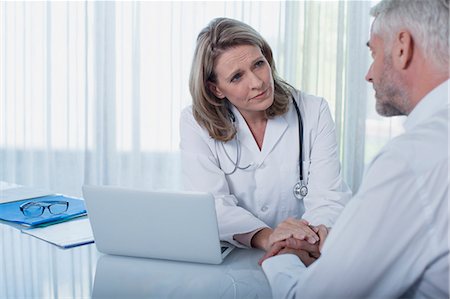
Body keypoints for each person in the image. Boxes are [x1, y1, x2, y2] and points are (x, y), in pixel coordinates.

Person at [260, 0, 449, 297]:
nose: (369, 73)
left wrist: (283, 259)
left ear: (402, 47)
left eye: (373, 53)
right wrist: (339, 244)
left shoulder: (412, 161)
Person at [179, 17, 351, 252]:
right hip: (238, 257)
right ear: (215, 88)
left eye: (258, 64)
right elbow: (211, 206)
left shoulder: (313, 111)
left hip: (306, 252)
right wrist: (268, 237)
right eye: (237, 77)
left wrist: (304, 239)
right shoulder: (196, 122)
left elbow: (328, 197)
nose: (258, 82)